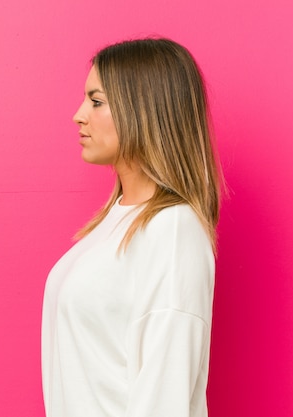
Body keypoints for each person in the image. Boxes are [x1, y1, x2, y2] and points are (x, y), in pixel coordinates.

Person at [41, 38, 222, 417]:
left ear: (143, 110)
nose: (78, 115)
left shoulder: (173, 231)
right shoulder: (116, 220)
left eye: (97, 101)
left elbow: (165, 396)